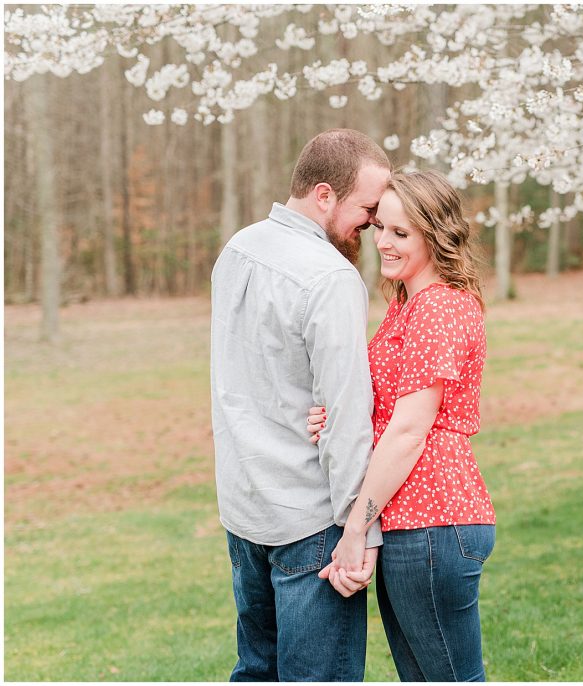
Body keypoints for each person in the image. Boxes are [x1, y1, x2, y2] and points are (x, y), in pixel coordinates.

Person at [210, 128, 391, 681]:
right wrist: (362, 531)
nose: (372, 223)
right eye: (367, 208)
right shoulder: (331, 277)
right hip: (310, 521)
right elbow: (345, 417)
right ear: (324, 195)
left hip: (242, 509)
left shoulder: (237, 248)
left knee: (257, 670)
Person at [307, 170, 497, 681]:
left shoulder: (438, 307)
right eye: (381, 229)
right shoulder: (406, 305)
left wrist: (355, 526)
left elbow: (411, 430)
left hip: (433, 519)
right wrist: (336, 416)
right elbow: (388, 406)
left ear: (435, 235)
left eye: (401, 233)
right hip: (412, 522)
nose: (384, 243)